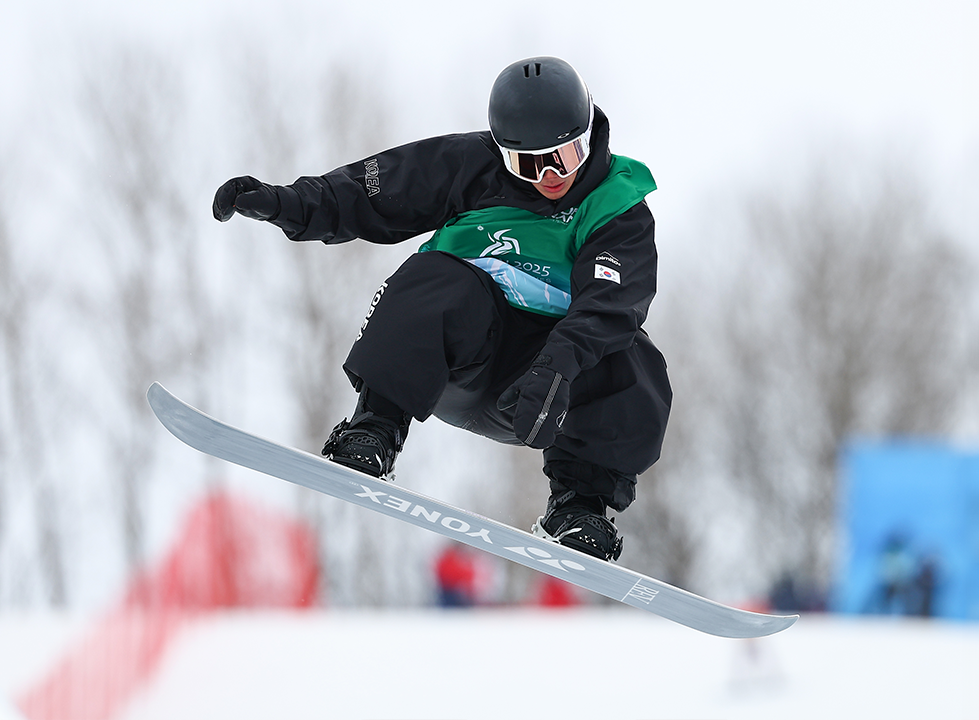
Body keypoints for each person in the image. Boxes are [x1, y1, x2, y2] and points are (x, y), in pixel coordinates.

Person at [211, 56, 671, 562]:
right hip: (457, 356)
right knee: (437, 276)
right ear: (503, 154)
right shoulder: (469, 165)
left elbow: (610, 303)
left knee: (635, 360)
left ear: (589, 135)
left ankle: (580, 505)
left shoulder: (617, 204)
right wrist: (287, 203)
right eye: (528, 163)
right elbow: (371, 191)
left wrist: (559, 365)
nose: (549, 176)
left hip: (543, 390)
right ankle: (375, 428)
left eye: (564, 155)